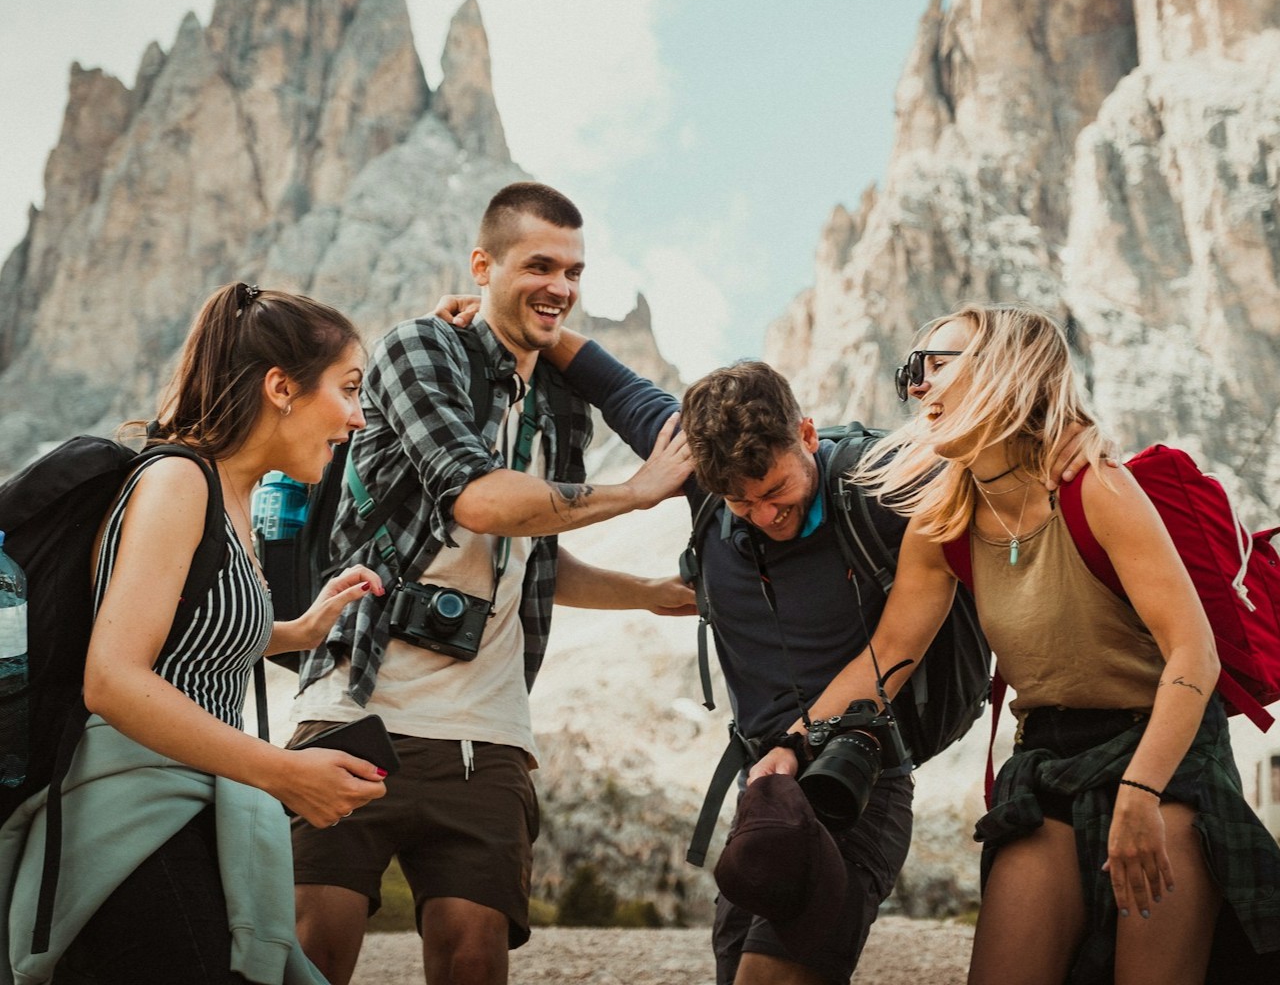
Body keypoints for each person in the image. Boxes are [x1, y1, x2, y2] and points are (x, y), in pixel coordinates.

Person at [524, 324, 1088, 985]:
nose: (764, 515)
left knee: (772, 976)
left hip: (857, 777)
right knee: (740, 969)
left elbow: (1008, 461)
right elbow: (613, 385)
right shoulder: (703, 475)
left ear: (809, 436)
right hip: (766, 788)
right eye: (741, 503)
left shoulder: (883, 485)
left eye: (778, 493)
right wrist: (511, 319)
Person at [751, 303, 1280, 985]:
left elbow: (1194, 655)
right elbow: (887, 658)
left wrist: (1143, 791)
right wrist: (793, 744)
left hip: (1164, 754)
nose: (915, 387)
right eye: (911, 371)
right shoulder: (943, 520)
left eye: (936, 365)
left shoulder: (1096, 489)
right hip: (1047, 759)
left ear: (1007, 370)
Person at [287, 182, 696, 985]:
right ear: (483, 264)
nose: (562, 286)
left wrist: (647, 592)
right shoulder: (417, 351)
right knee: (311, 952)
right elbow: (478, 498)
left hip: (490, 731)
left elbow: (535, 554)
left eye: (575, 271)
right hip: (357, 703)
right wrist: (636, 493)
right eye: (539, 265)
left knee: (474, 959)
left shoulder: (563, 406)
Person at [1, 282, 390, 985]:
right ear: (281, 387)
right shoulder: (180, 480)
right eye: (349, 389)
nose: (358, 419)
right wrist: (287, 775)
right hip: (131, 819)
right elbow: (114, 677)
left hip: (194, 804)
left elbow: (183, 628)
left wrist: (297, 629)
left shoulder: (234, 498)